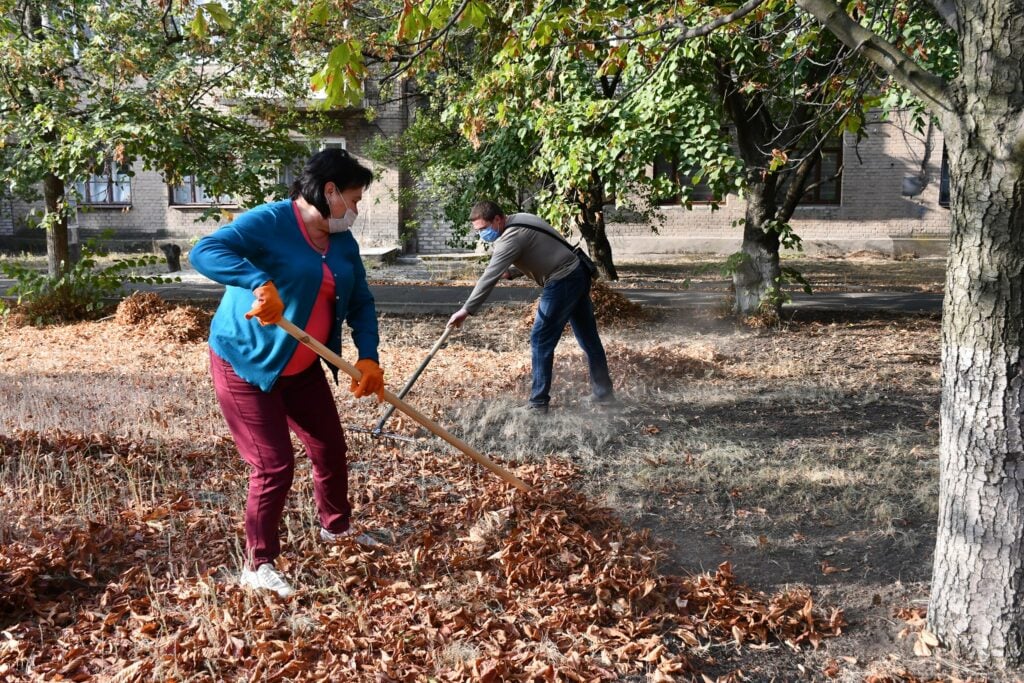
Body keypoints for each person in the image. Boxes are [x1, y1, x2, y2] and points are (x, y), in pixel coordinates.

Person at [189, 148, 385, 598]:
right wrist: (259, 281)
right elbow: (205, 251)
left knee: (330, 447)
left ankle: (336, 528)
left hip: (303, 366)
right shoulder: (271, 221)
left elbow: (361, 302)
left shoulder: (341, 242)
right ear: (330, 191)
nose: (356, 210)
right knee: (274, 464)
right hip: (248, 364)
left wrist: (368, 356)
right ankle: (258, 565)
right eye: (353, 199)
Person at [447, 200, 614, 413]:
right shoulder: (523, 218)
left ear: (497, 219)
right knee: (588, 338)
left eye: (484, 229)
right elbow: (545, 249)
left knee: (540, 339)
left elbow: (489, 276)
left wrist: (466, 310)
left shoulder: (510, 238)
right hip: (577, 272)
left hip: (562, 280)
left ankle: (538, 403)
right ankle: (605, 396)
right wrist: (515, 272)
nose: (482, 235)